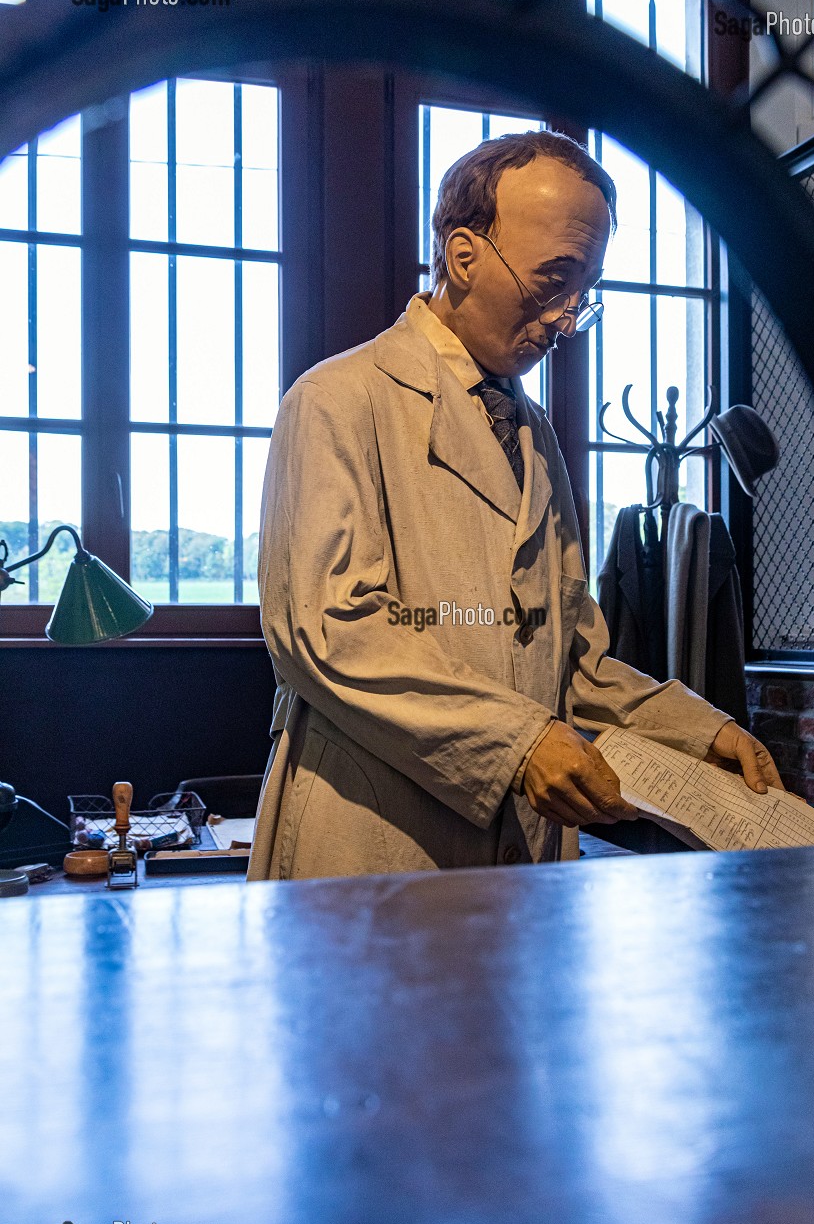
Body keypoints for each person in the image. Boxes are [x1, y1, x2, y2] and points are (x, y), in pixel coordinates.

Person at [247, 130, 783, 881]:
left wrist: (697, 731)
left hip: (520, 855)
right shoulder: (337, 399)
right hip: (372, 844)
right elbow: (325, 630)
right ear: (463, 257)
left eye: (584, 291)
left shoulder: (531, 436)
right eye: (552, 281)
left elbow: (570, 657)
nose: (567, 318)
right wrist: (517, 742)